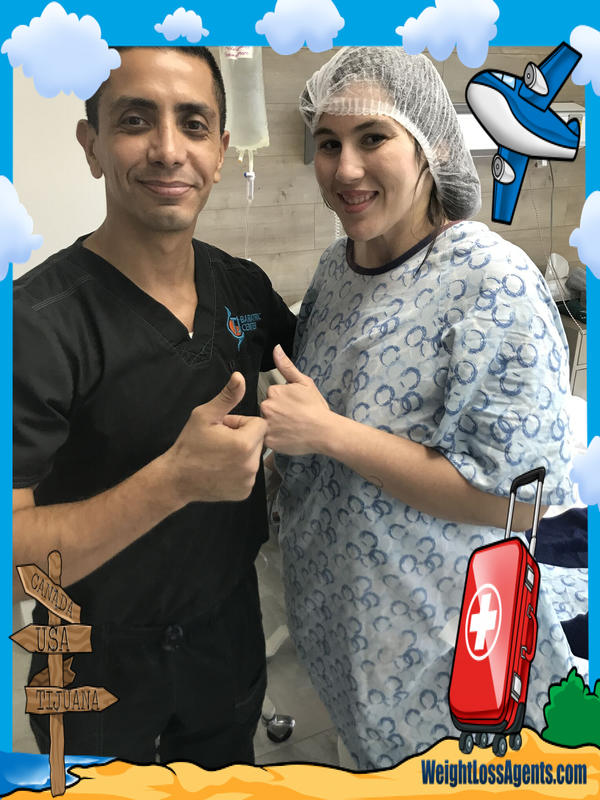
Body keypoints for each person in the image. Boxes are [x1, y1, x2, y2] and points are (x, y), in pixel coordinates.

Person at [260, 46, 578, 770]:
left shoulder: (492, 283)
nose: (345, 169)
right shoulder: (336, 270)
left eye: (373, 137)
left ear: (431, 145)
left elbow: (520, 501)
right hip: (348, 632)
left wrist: (330, 434)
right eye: (327, 144)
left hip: (449, 641)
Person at [13, 46, 296, 766]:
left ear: (221, 151)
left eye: (193, 124)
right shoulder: (35, 325)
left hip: (226, 640)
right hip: (87, 657)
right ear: (92, 146)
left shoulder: (243, 290)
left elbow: (329, 378)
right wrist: (173, 481)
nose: (169, 150)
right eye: (136, 121)